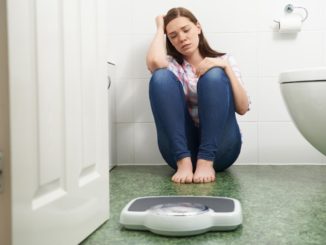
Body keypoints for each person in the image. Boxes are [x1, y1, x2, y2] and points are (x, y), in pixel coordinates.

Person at [146, 7, 250, 184]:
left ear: (198, 28)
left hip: (220, 149)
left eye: (186, 30)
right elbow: (155, 62)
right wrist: (159, 28)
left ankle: (206, 161)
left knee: (214, 75)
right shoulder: (171, 65)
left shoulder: (224, 59)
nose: (182, 38)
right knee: (160, 76)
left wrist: (225, 67)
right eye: (173, 36)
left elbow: (242, 108)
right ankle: (184, 162)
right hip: (180, 151)